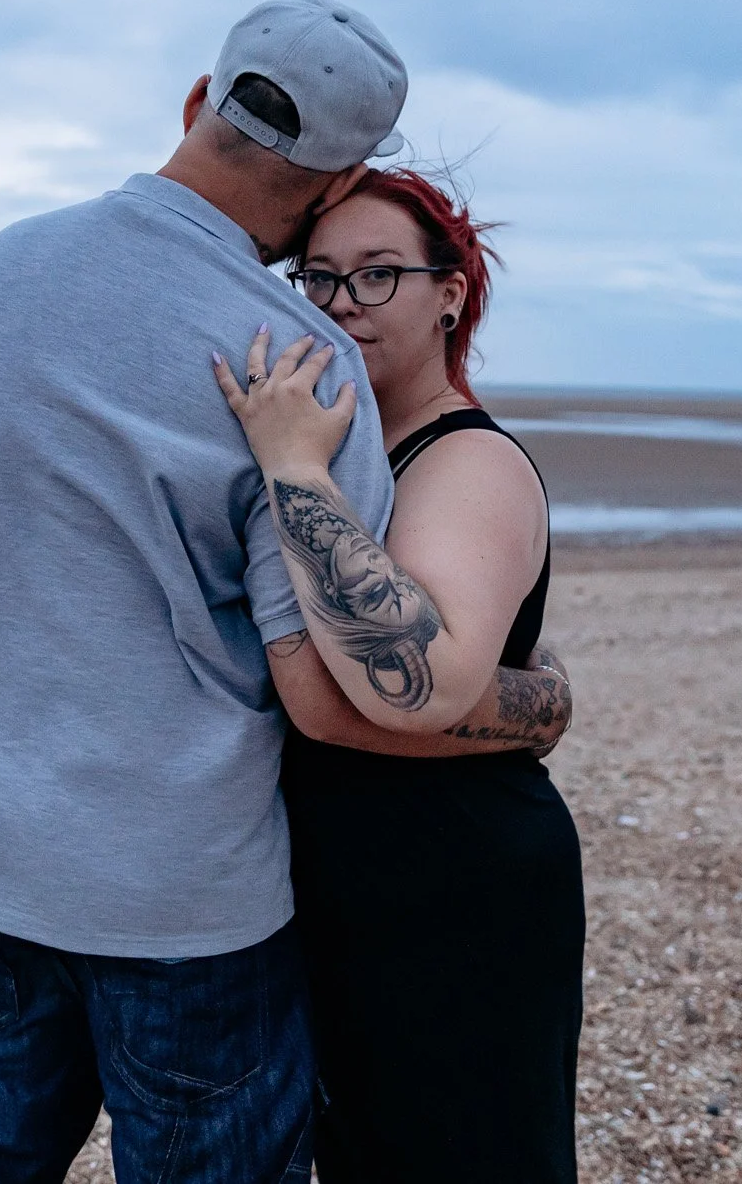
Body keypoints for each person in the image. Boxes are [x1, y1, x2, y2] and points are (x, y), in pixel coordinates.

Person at [0, 0, 572, 1184]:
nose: (341, 299)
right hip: (180, 902)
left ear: (198, 101)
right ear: (336, 177)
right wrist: (538, 704)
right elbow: (323, 692)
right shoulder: (293, 363)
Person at [211, 168, 586, 1183]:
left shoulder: (466, 461)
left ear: (449, 295)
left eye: (378, 275)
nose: (342, 304)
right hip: (350, 884)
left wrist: (293, 468)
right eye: (319, 277)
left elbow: (407, 681)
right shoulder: (361, 446)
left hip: (453, 885)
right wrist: (537, 703)